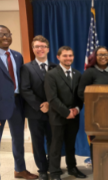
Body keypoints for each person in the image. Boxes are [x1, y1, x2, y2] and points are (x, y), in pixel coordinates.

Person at [0, 25, 38, 180]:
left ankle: (20, 170)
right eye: (0, 34)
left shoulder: (17, 56)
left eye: (8, 34)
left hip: (17, 104)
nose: (5, 37)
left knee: (19, 139)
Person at [44, 46, 85, 180]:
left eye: (70, 55)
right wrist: (66, 112)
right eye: (65, 56)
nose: (68, 58)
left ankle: (72, 168)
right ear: (58, 57)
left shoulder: (78, 74)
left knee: (71, 144)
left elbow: (80, 96)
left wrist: (77, 109)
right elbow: (52, 98)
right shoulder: (51, 74)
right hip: (58, 116)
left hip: (74, 116)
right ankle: (55, 172)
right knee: (56, 145)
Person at [20, 35, 56, 180]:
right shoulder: (26, 68)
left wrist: (49, 104)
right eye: (36, 46)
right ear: (33, 49)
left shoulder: (55, 66)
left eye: (42, 46)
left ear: (47, 48)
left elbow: (59, 89)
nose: (40, 49)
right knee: (37, 141)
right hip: (35, 112)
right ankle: (42, 169)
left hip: (53, 111)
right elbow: (25, 89)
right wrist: (40, 106)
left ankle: (54, 168)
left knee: (53, 141)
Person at [78, 46, 108, 167]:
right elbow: (81, 93)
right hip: (95, 114)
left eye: (105, 54)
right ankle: (96, 166)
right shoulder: (89, 72)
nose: (103, 57)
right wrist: (94, 106)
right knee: (96, 141)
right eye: (100, 54)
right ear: (95, 57)